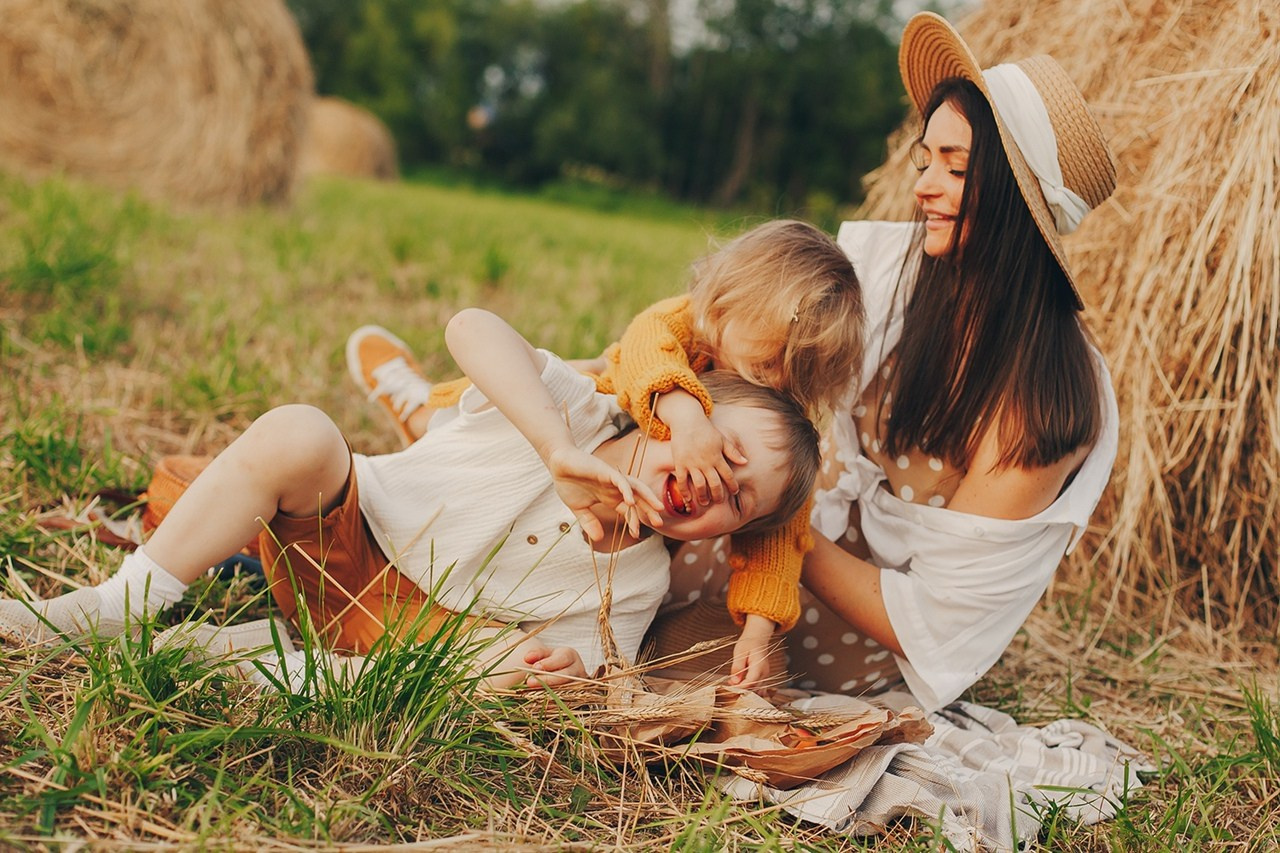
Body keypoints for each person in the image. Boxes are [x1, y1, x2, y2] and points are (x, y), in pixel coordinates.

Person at [651, 12, 1121, 712]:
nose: (925, 186)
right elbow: (706, 327)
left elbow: (932, 619)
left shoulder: (1042, 401)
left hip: (835, 620)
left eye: (956, 168)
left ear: (1023, 206)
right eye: (926, 160)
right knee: (597, 492)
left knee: (656, 658)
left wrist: (775, 523)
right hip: (748, 521)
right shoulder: (889, 273)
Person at [0, 309, 820, 691]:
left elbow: (590, 671)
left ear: (729, 535)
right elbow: (470, 328)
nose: (717, 484)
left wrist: (563, 669)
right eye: (727, 454)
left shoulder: (639, 580)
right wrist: (554, 447)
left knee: (514, 667)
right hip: (345, 535)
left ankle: (268, 661)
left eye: (738, 502)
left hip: (406, 641)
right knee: (299, 432)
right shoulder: (572, 408)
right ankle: (122, 602)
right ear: (677, 404)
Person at [348, 219, 863, 687]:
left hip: (631, 482)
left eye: (790, 375)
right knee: (479, 410)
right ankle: (417, 405)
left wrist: (757, 628)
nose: (769, 381)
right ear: (724, 307)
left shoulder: (772, 416)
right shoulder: (680, 325)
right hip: (601, 399)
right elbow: (644, 352)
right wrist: (687, 418)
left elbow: (778, 537)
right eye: (768, 358)